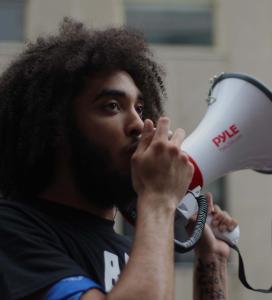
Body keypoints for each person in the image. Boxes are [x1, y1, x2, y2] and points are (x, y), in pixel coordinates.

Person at [0, 18, 237, 300]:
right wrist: (159, 198)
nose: (139, 123)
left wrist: (212, 258)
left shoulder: (130, 251)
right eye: (112, 106)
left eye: (139, 108)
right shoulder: (12, 230)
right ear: (56, 130)